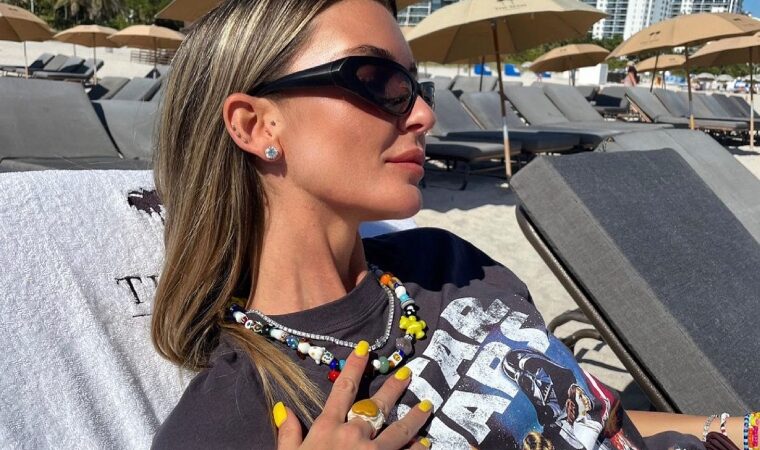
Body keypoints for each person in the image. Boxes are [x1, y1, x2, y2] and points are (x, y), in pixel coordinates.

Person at [150, 1, 757, 449]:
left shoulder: (450, 263)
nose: (423, 113)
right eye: (379, 81)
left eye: (417, 86)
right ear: (256, 126)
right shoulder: (230, 417)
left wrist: (739, 429)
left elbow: (584, 417)